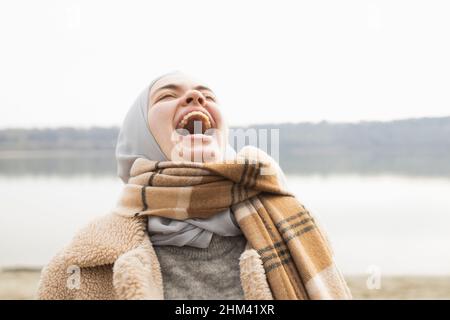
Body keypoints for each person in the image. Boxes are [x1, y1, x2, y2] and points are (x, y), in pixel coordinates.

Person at [37, 72, 351, 300]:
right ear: (140, 133)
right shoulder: (80, 261)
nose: (196, 98)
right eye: (167, 95)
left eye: (207, 95)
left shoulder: (293, 221)